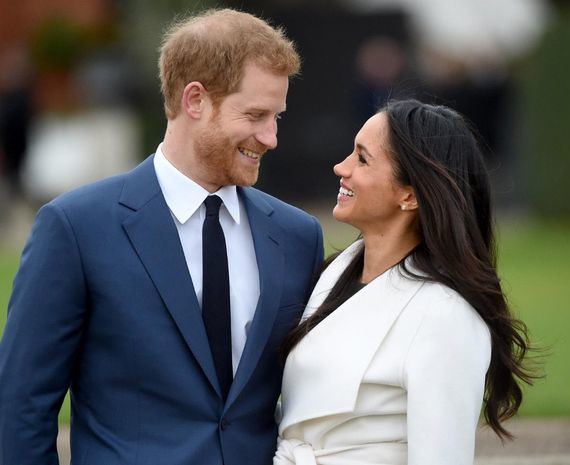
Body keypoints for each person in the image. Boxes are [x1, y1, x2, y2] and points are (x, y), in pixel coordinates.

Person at [0, 9, 324, 465]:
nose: (270, 137)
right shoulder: (76, 228)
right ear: (195, 100)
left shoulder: (296, 236)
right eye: (255, 115)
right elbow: (20, 409)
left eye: (277, 117)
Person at [274, 99, 534, 465]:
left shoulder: (445, 318)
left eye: (362, 159)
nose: (340, 167)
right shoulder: (333, 274)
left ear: (410, 195)